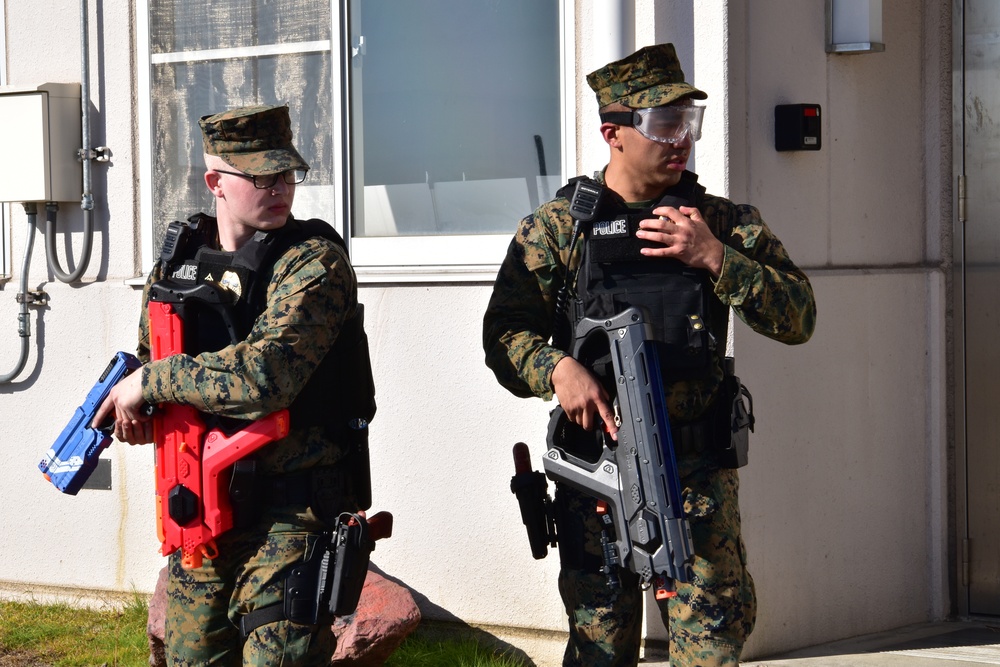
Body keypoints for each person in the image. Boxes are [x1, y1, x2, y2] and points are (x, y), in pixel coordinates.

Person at [483, 44, 816, 667]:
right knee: (599, 649)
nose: (681, 140)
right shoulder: (559, 230)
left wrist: (717, 257)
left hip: (695, 481)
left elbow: (799, 316)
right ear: (615, 133)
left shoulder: (718, 221)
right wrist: (558, 369)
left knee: (713, 650)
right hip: (596, 478)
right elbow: (504, 335)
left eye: (689, 123)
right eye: (665, 125)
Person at [92, 104, 376, 665]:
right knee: (191, 658)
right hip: (199, 510)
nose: (280, 188)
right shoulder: (179, 265)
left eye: (287, 174)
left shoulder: (313, 262)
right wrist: (140, 416)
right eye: (262, 176)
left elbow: (264, 377)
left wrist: (152, 382)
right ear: (215, 181)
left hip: (291, 517)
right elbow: (154, 371)